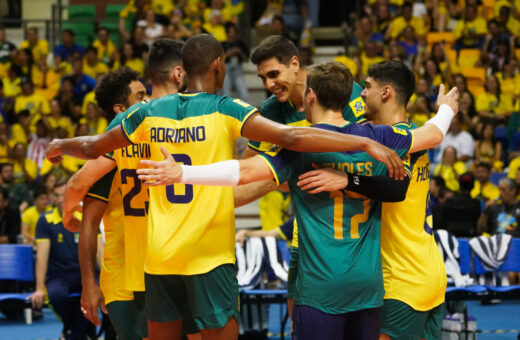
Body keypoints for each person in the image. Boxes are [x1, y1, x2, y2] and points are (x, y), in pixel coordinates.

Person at [46, 34, 408, 340]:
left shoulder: (143, 113)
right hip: (209, 255)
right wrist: (361, 142)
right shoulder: (226, 108)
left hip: (158, 257)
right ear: (219, 64)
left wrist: (60, 144)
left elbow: (92, 148)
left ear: (183, 70)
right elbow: (292, 137)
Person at [135, 61, 458, 339]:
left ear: (310, 96)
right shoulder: (378, 138)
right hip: (369, 286)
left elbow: (244, 171)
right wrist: (446, 108)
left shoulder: (300, 145)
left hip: (321, 288)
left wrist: (184, 174)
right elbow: (429, 139)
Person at [247, 35, 367, 232]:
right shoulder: (269, 111)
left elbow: (371, 151)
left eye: (274, 74)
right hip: (306, 222)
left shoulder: (342, 88)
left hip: (352, 220)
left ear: (294, 63)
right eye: (263, 78)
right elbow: (250, 166)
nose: (268, 85)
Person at [74, 66, 148, 340]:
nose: (148, 102)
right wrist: (88, 284)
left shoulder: (162, 140)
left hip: (162, 267)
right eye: (140, 97)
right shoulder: (107, 155)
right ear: (120, 109)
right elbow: (89, 221)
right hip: (122, 274)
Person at [27, 177, 98, 340]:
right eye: (57, 195)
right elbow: (42, 257)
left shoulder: (87, 215)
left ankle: (71, 334)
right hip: (59, 275)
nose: (61, 199)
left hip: (85, 272)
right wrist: (39, 288)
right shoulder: (45, 220)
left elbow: (99, 252)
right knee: (56, 295)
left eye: (65, 194)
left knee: (95, 293)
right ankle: (77, 332)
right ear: (52, 197)